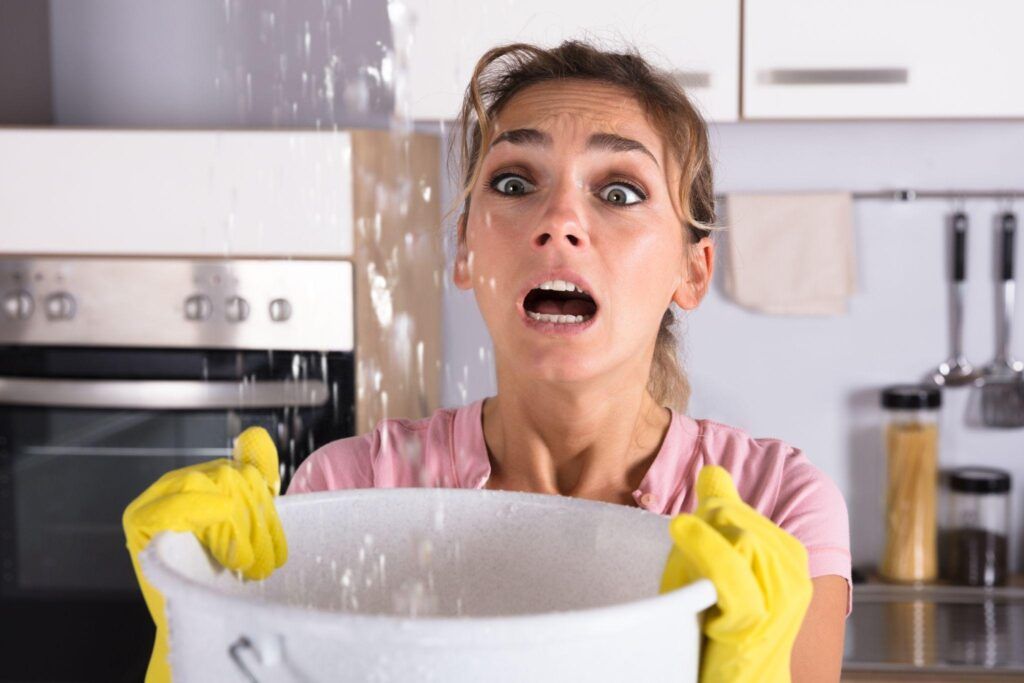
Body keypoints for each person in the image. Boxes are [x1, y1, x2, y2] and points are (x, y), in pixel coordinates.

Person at [125, 41, 851, 682]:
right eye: (513, 183)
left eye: (619, 191)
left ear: (691, 273)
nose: (560, 220)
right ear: (466, 252)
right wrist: (188, 625)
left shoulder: (773, 509)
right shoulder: (350, 490)